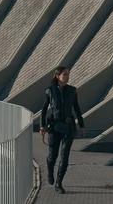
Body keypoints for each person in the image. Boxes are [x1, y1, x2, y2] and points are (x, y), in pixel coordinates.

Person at [40, 66, 84, 194]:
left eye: (68, 74)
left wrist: (81, 125)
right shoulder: (50, 91)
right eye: (65, 74)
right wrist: (42, 126)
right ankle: (50, 171)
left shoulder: (72, 90)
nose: (67, 76)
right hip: (54, 127)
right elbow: (43, 110)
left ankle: (59, 184)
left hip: (68, 128)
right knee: (52, 156)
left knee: (64, 157)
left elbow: (77, 109)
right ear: (58, 76)